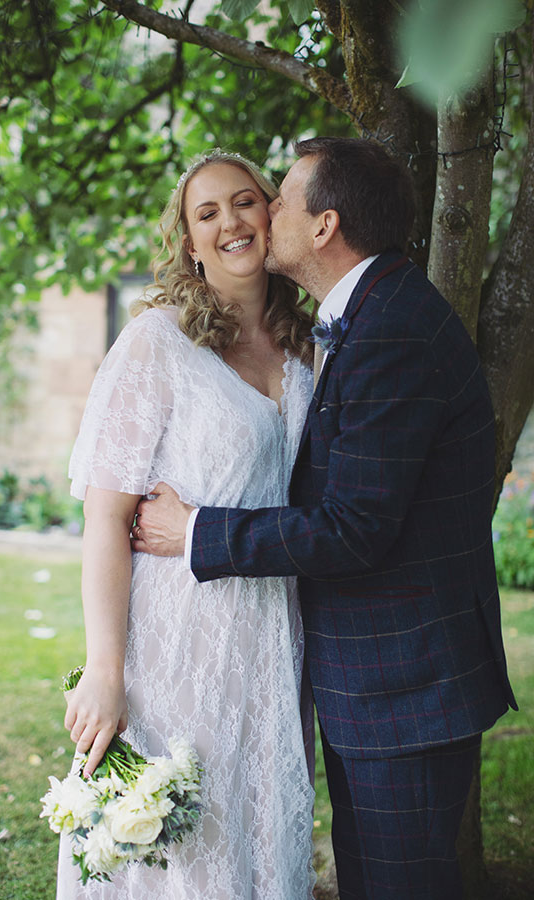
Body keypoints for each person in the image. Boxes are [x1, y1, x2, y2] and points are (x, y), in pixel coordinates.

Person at [133, 137, 518, 900]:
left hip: (406, 686)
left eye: (277, 199)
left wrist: (197, 530)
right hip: (379, 681)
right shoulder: (365, 315)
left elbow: (354, 525)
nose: (263, 214)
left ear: (324, 225)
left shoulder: (391, 329)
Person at [57, 149, 317, 900]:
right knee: (178, 848)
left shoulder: (311, 346)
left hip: (276, 635)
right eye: (208, 213)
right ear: (191, 244)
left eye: (245, 201)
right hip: (177, 640)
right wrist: (106, 670)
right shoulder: (157, 343)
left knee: (255, 834)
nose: (231, 221)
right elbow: (106, 518)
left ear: (273, 213)